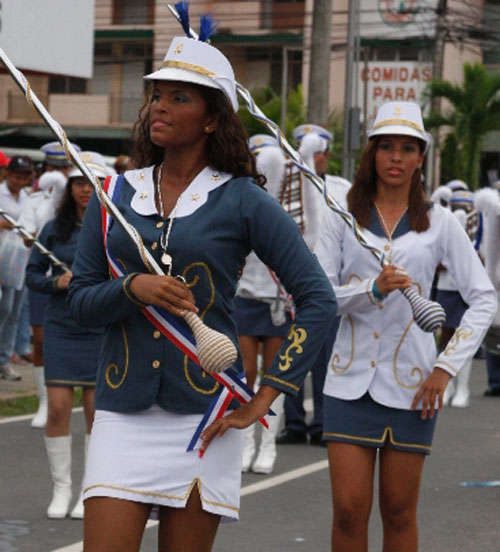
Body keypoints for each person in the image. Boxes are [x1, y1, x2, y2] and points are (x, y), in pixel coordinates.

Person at [67, 35, 335, 551]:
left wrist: (266, 396)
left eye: (179, 97)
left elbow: (318, 299)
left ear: (212, 119)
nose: (159, 107)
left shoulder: (242, 199)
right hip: (121, 413)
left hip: (206, 418)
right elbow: (80, 303)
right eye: (156, 95)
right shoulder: (114, 195)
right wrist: (132, 288)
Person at [315, 101, 497, 552]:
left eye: (408, 148)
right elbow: (319, 296)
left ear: (421, 157)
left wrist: (445, 368)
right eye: (386, 147)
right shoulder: (341, 215)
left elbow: (483, 298)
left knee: (398, 511)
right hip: (347, 382)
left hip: (414, 386)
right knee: (348, 511)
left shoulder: (440, 223)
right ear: (372, 153)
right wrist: (371, 290)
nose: (396, 157)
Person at [26, 152, 107, 519]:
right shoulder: (52, 229)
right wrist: (56, 282)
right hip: (61, 326)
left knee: (95, 412)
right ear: (70, 187)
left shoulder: (115, 229)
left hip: (98, 326)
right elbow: (33, 275)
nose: (85, 190)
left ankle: (89, 490)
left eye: (92, 183)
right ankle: (61, 489)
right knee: (58, 407)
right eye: (78, 183)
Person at [277, 124, 349, 446]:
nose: (314, 158)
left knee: (323, 359)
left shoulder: (342, 189)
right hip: (289, 284)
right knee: (290, 355)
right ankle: (293, 423)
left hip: (327, 283)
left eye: (319, 153)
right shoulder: (285, 187)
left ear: (327, 155)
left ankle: (322, 423)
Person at [234, 134, 290, 474]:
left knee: (273, 377)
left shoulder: (288, 208)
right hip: (244, 297)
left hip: (276, 301)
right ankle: (245, 443)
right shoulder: (240, 200)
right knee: (245, 373)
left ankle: (267, 446)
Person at [19, 142, 79, 428]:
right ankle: (45, 401)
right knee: (41, 341)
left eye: (63, 168)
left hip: (81, 283)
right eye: (53, 167)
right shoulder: (35, 200)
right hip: (48, 279)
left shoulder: (84, 196)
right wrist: (38, 232)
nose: (58, 173)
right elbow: (26, 237)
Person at [0, 156, 33, 381]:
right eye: (16, 176)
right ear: (7, 174)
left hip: (19, 259)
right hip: (1, 256)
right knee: (3, 308)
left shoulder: (28, 198)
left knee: (13, 312)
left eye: (24, 177)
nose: (19, 181)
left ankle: (4, 359)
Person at [475, 181, 500, 396]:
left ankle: (495, 381)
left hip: (494, 275)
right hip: (495, 278)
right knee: (493, 329)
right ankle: (495, 381)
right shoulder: (492, 212)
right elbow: (487, 245)